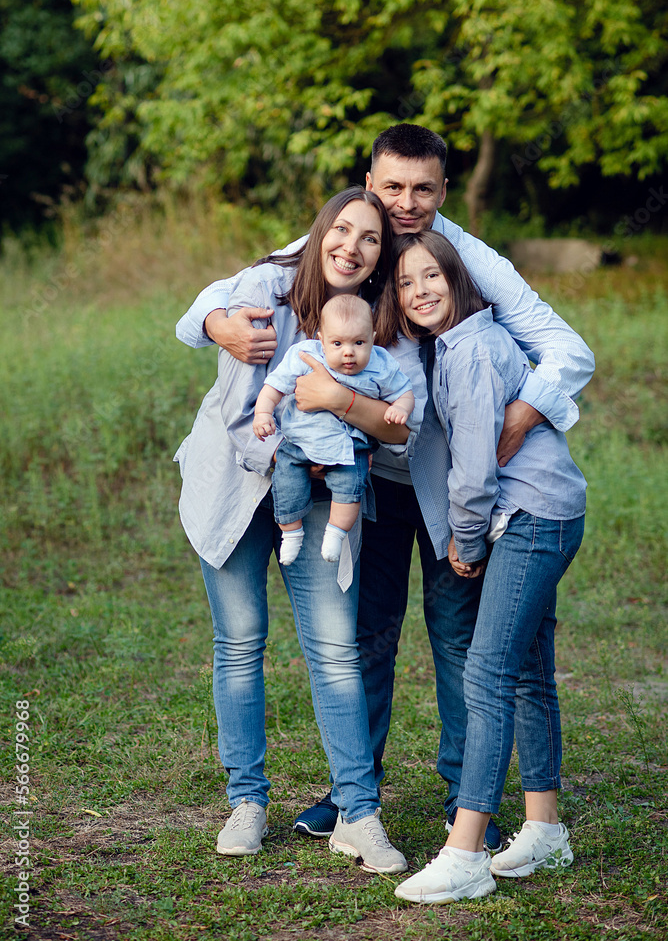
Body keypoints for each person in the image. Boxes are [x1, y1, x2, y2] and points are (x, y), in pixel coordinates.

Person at [176, 124, 595, 844]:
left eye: (423, 189)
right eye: (392, 186)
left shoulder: (463, 258)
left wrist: (519, 417)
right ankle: (352, 794)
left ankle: (465, 796)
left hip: (450, 481)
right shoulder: (351, 238)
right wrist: (218, 323)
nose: (406, 203)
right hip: (365, 477)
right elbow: (228, 293)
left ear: (443, 191)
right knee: (365, 635)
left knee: (457, 635)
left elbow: (568, 348)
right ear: (369, 183)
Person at [175, 187, 413, 875]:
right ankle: (246, 801)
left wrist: (344, 411)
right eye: (342, 230)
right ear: (319, 232)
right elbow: (220, 371)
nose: (352, 247)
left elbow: (398, 428)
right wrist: (217, 322)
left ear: (380, 257)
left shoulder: (378, 325)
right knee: (239, 642)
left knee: (336, 651)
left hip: (321, 494)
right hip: (233, 482)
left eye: (370, 239)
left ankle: (359, 814)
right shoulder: (265, 289)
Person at [376, 231, 586, 904]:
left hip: (531, 516)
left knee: (488, 672)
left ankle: (465, 854)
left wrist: (463, 543)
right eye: (405, 283)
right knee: (527, 669)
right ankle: (545, 831)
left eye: (431, 276)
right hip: (549, 510)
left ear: (458, 279)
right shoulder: (459, 343)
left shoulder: (468, 351)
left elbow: (472, 474)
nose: (419, 291)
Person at [253, 294, 414, 565]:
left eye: (359, 343)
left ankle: (335, 534)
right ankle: (291, 534)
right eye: (337, 343)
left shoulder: (381, 364)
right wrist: (263, 413)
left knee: (350, 489)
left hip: (349, 446)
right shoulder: (306, 355)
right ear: (321, 339)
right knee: (287, 484)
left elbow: (404, 391)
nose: (348, 352)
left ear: (372, 339)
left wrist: (401, 407)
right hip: (300, 441)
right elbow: (274, 386)